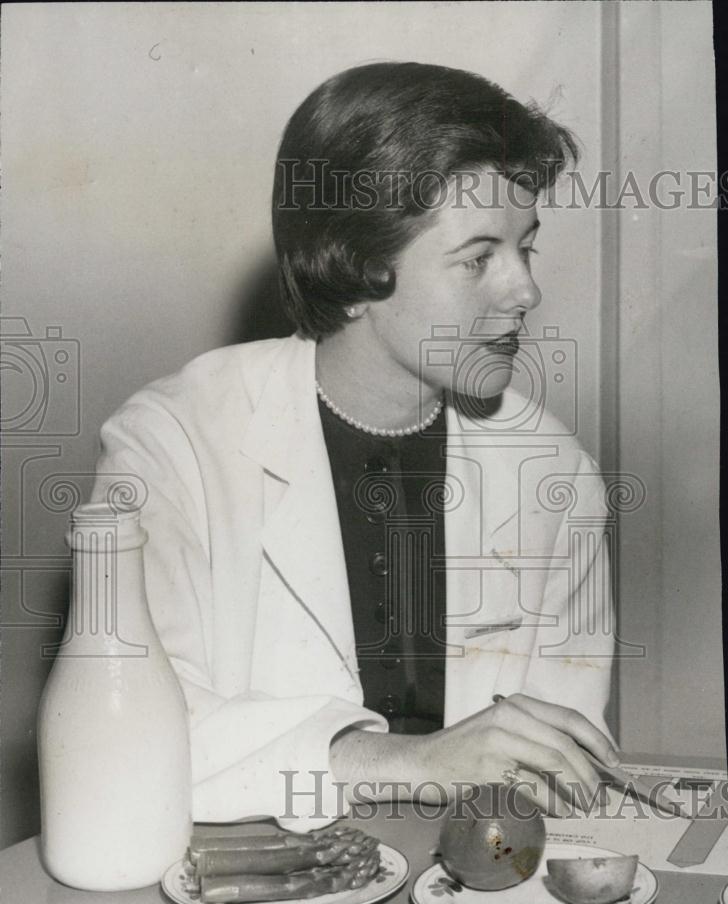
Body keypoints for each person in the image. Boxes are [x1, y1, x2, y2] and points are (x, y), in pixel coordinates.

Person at [91, 62, 618, 832]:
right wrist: (408, 764)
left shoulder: (555, 471)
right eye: (479, 259)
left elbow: (561, 769)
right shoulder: (169, 445)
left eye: (525, 249)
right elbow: (126, 752)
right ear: (362, 263)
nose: (524, 291)